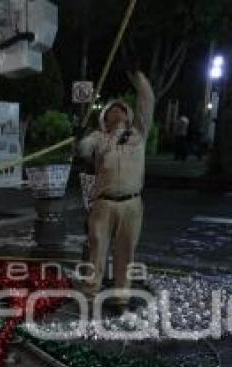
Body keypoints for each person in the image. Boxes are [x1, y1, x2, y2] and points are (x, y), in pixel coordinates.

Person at [77, 70, 154, 307]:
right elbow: (83, 150)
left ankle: (121, 297)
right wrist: (80, 140)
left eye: (122, 109)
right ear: (104, 119)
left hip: (131, 203)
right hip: (103, 203)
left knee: (125, 254)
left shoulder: (139, 134)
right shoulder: (99, 138)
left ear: (129, 116)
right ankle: (90, 296)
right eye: (112, 110)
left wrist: (138, 76)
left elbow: (147, 100)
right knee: (96, 253)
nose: (118, 111)